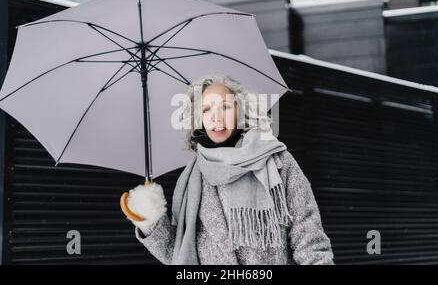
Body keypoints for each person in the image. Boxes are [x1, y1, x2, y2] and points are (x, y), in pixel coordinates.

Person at [120, 73, 334, 265]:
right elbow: (177, 255)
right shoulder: (192, 179)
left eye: (225, 106)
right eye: (207, 109)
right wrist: (150, 218)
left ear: (240, 110)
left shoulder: (278, 161)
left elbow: (309, 239)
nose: (217, 117)